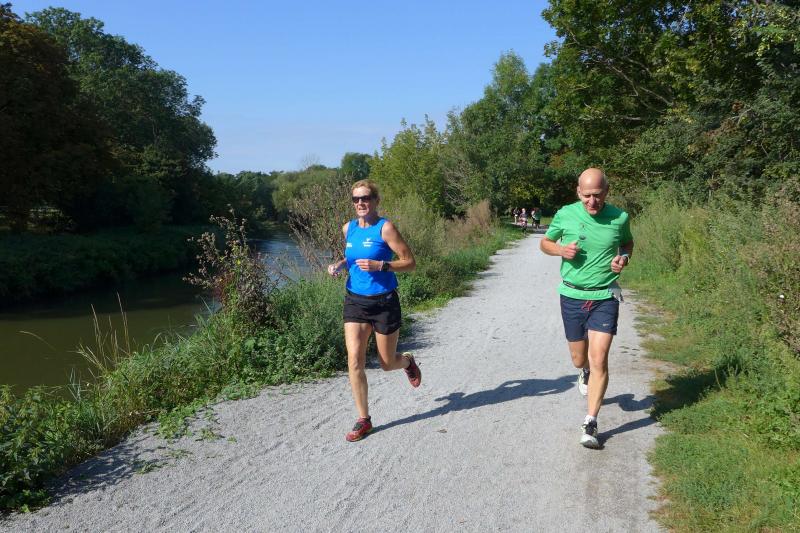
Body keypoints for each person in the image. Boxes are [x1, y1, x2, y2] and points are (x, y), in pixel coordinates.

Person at [539, 168, 634, 449]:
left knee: (599, 357)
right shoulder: (565, 214)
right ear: (578, 192)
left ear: (607, 192)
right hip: (572, 295)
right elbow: (545, 242)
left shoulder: (619, 217)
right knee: (579, 358)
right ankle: (584, 372)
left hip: (605, 295)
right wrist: (560, 250)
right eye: (587, 196)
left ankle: (590, 422)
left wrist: (623, 257)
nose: (592, 201)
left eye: (598, 195)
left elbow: (627, 242)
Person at [327, 179, 421, 442]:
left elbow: (410, 262)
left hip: (384, 303)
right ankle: (363, 419)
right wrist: (339, 265)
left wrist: (383, 266)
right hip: (355, 301)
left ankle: (407, 362)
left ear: (376, 201)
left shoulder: (385, 228)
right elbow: (352, 257)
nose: (360, 203)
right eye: (356, 199)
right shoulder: (348, 228)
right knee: (354, 360)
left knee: (386, 363)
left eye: (365, 198)